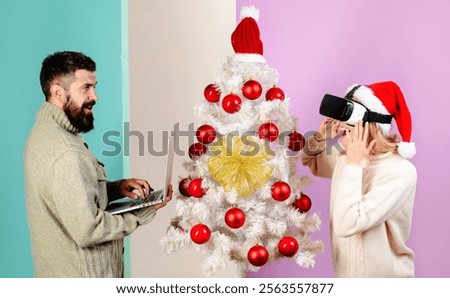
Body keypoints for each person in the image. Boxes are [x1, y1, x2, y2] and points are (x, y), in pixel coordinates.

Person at [24, 51, 173, 278]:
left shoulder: (44, 134)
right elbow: (88, 229)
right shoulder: (66, 150)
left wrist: (115, 188)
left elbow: (69, 198)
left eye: (94, 86)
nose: (95, 96)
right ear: (57, 92)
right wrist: (141, 213)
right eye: (85, 88)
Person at [301, 81, 417, 277]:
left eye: (347, 129)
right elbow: (309, 159)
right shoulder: (346, 156)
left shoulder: (400, 171)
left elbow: (348, 224)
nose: (340, 131)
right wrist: (321, 138)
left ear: (370, 127)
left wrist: (355, 164)